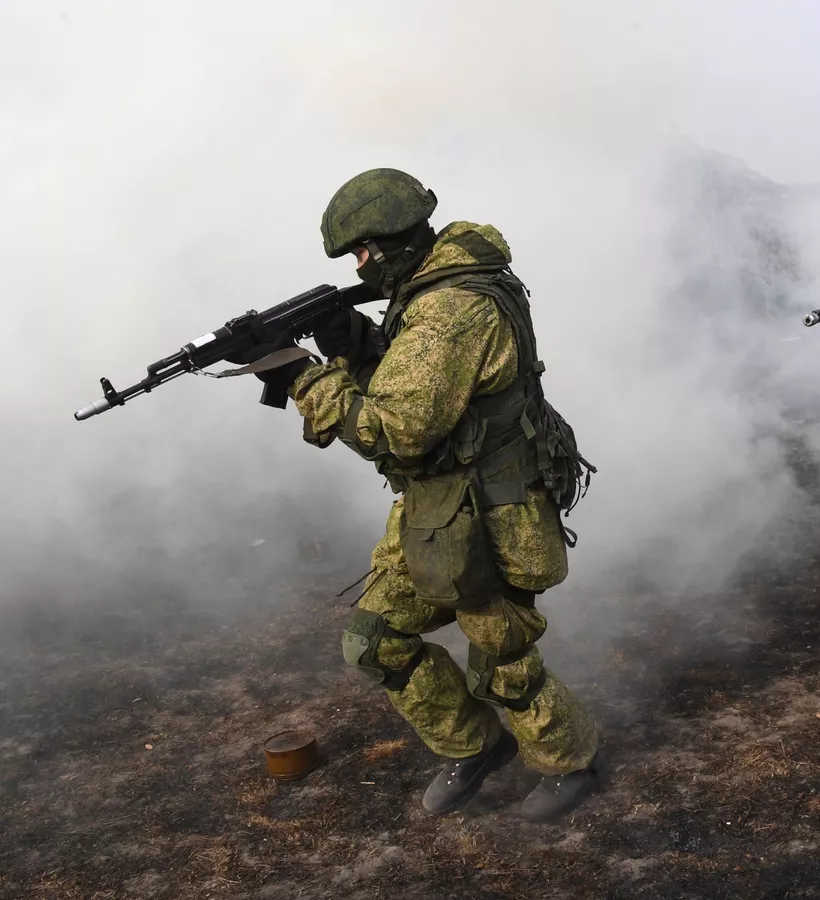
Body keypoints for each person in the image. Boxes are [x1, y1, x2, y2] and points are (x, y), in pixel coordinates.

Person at [235, 168, 601, 821]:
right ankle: (474, 745)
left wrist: (301, 377)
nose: (360, 265)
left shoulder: (448, 311)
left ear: (394, 242)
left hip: (493, 515)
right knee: (376, 640)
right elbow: (428, 389)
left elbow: (396, 430)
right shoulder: (433, 289)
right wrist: (358, 343)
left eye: (362, 252)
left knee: (503, 659)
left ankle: (570, 764)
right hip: (439, 510)